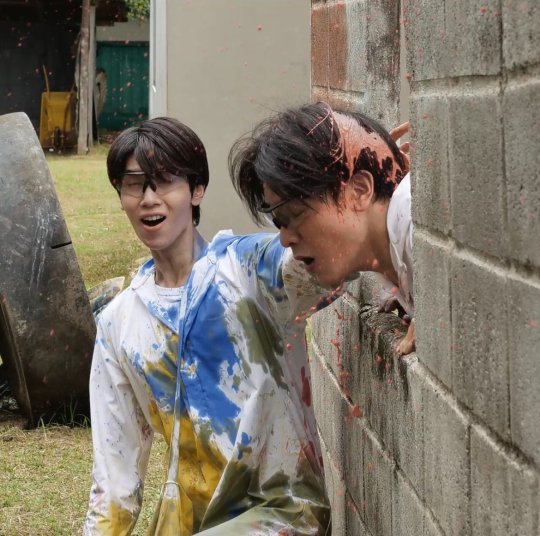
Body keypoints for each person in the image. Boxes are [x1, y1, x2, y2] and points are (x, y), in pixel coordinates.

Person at [82, 117, 331, 535]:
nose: (149, 198)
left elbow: (326, 260)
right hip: (190, 523)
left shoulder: (249, 271)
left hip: (280, 511)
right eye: (134, 185)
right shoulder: (118, 323)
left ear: (196, 190)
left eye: (165, 182)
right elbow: (114, 479)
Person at [229, 101, 415, 354]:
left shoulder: (414, 221)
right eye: (279, 223)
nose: (284, 240)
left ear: (360, 190)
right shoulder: (394, 246)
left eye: (295, 213)